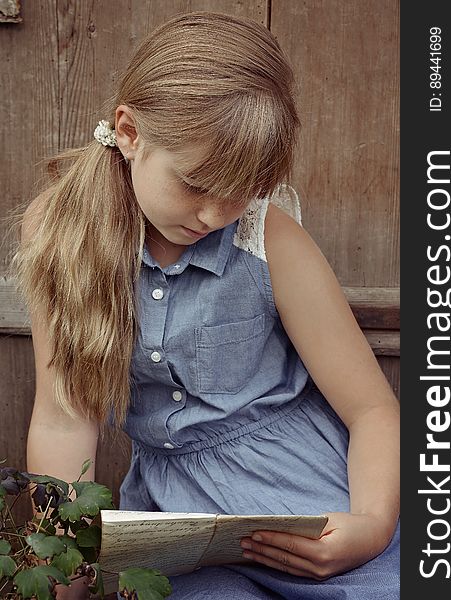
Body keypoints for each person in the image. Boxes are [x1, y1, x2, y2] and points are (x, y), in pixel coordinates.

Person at [11, 11, 399, 600]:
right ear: (130, 131)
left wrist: (371, 526)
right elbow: (64, 419)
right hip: (179, 530)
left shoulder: (268, 240)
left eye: (240, 190)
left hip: (309, 507)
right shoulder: (61, 229)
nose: (216, 214)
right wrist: (62, 569)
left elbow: (374, 411)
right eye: (195, 184)